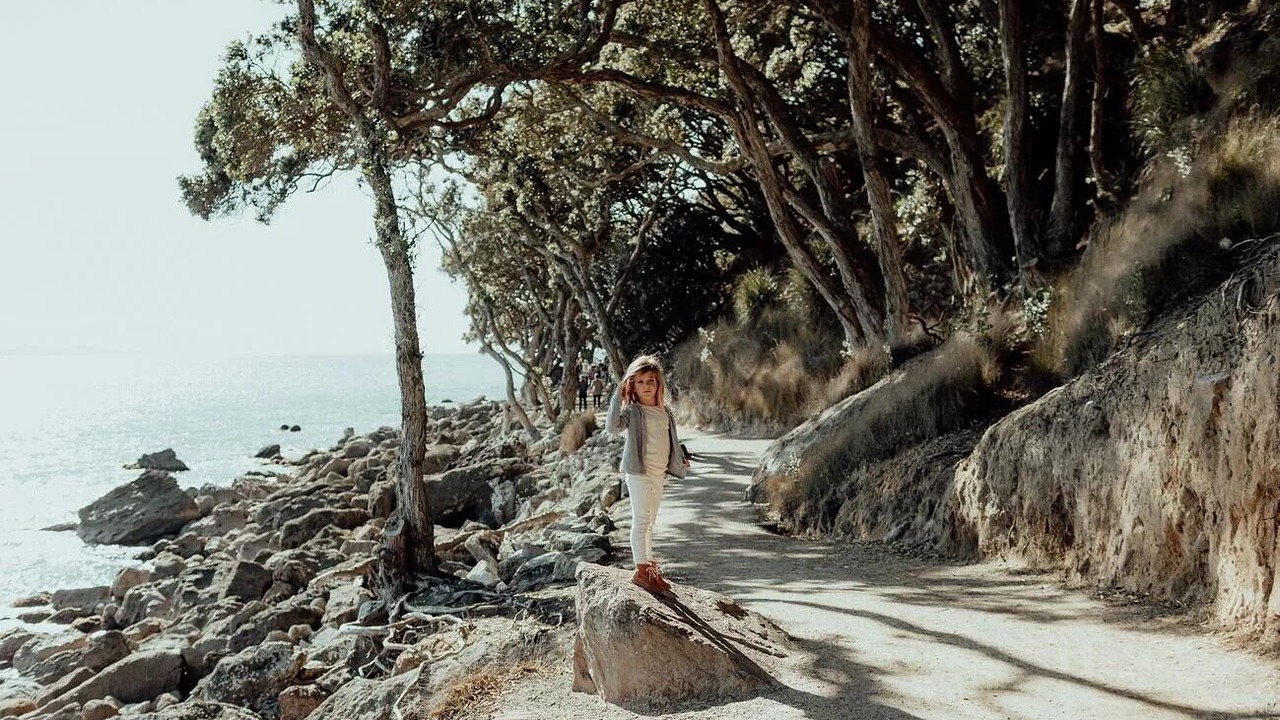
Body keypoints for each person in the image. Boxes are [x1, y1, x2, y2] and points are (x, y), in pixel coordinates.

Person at [605, 354, 690, 592]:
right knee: (641, 520)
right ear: (632, 385)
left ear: (658, 383)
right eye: (640, 382)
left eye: (650, 381)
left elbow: (669, 440)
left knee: (650, 522)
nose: (646, 386)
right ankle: (641, 570)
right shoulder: (633, 412)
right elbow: (612, 428)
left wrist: (681, 458)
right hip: (638, 473)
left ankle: (650, 568)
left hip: (658, 473)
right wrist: (617, 397)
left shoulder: (665, 412)